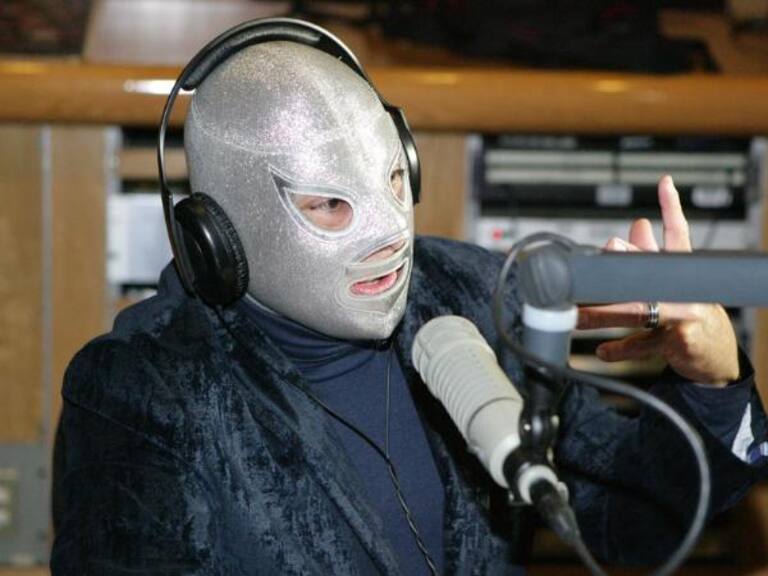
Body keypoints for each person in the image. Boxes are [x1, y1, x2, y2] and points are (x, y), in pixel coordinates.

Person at [51, 18, 767, 576]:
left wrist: (711, 384)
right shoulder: (141, 392)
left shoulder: (473, 296)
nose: (389, 233)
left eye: (396, 181)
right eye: (331, 205)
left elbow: (626, 518)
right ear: (218, 231)